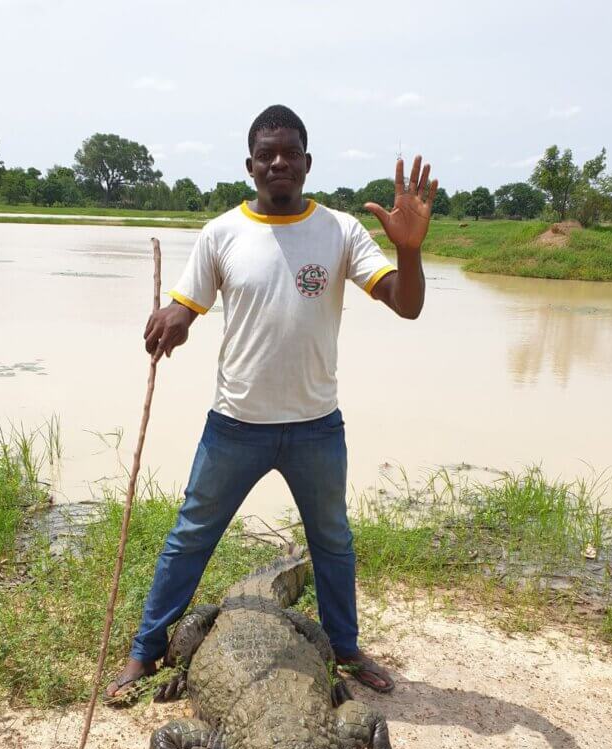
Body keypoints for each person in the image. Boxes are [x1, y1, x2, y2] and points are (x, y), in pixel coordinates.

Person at [107, 104, 437, 700]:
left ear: (307, 164)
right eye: (267, 154)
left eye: (289, 153)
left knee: (332, 541)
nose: (278, 162)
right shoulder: (221, 233)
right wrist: (174, 317)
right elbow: (190, 302)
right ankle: (144, 652)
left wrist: (409, 250)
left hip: (316, 427)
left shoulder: (339, 230)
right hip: (236, 425)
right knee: (190, 536)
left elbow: (405, 304)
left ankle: (344, 648)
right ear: (251, 165)